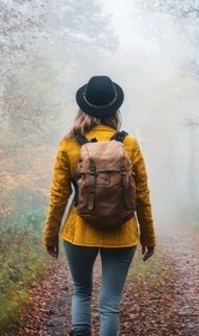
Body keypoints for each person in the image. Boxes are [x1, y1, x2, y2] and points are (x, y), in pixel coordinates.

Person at [43, 75, 156, 336]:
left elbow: (59, 195)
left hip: (79, 233)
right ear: (115, 108)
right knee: (110, 305)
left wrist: (50, 235)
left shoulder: (69, 144)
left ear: (84, 107)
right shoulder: (129, 144)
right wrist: (148, 236)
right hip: (122, 233)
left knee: (81, 291)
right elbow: (142, 195)